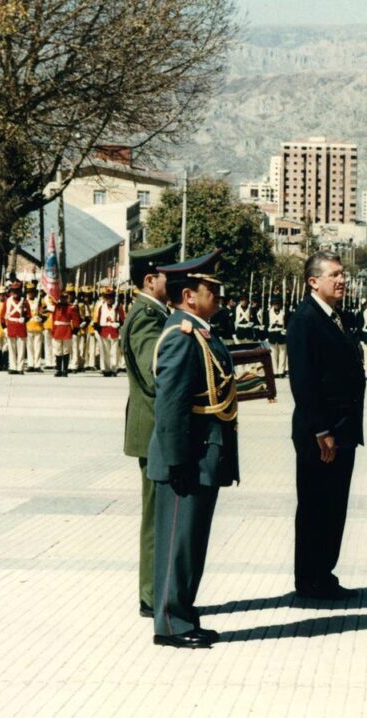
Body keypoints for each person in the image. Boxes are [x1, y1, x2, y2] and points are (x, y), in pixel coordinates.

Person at [147, 249, 238, 649]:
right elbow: (170, 405)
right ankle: (170, 624)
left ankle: (184, 613)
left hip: (203, 452)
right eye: (210, 290)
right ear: (189, 296)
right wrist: (178, 459)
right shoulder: (181, 335)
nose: (218, 297)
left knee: (192, 543)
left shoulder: (199, 330)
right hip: (188, 456)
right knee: (178, 544)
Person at [286, 251, 366, 600]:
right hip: (322, 433)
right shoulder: (306, 319)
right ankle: (309, 579)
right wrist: (322, 431)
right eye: (334, 274)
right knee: (317, 507)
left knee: (333, 507)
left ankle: (323, 573)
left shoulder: (335, 317)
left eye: (343, 273)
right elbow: (304, 382)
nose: (341, 280)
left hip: (342, 428)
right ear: (313, 281)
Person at [121, 242, 178, 619]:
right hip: (154, 430)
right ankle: (151, 593)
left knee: (160, 514)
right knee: (157, 517)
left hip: (155, 428)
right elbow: (155, 372)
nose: (172, 282)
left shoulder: (157, 313)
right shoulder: (145, 317)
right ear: (149, 280)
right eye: (167, 276)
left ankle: (156, 589)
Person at [97, 287, 125, 376]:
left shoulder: (118, 307)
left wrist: (118, 324)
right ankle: (106, 369)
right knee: (105, 351)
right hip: (104, 330)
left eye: (110, 297)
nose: (109, 299)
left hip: (114, 331)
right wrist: (99, 329)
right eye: (107, 297)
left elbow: (123, 319)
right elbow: (97, 318)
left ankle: (113, 369)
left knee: (114, 351)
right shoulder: (101, 306)